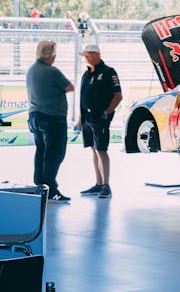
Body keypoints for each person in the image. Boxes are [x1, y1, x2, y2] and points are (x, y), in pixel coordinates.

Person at [26, 40, 75, 202]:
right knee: (55, 154)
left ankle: (39, 185)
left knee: (41, 151)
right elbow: (69, 87)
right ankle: (51, 189)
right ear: (49, 55)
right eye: (54, 53)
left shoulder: (31, 70)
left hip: (35, 117)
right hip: (52, 118)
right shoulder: (52, 71)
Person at [78, 44, 122, 199]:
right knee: (93, 149)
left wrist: (107, 113)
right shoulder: (86, 74)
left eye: (87, 55)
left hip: (100, 118)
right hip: (87, 119)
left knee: (101, 150)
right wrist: (80, 119)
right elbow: (82, 98)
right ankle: (98, 184)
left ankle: (106, 185)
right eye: (84, 56)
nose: (85, 58)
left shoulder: (109, 72)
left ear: (97, 54)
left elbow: (118, 96)